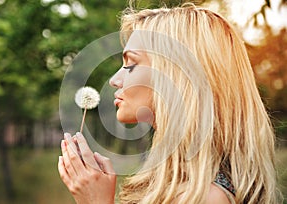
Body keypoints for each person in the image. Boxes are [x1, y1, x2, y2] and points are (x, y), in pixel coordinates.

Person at [58, 3, 282, 204]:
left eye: (131, 64)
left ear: (176, 77)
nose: (114, 80)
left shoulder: (204, 198)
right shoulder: (183, 184)